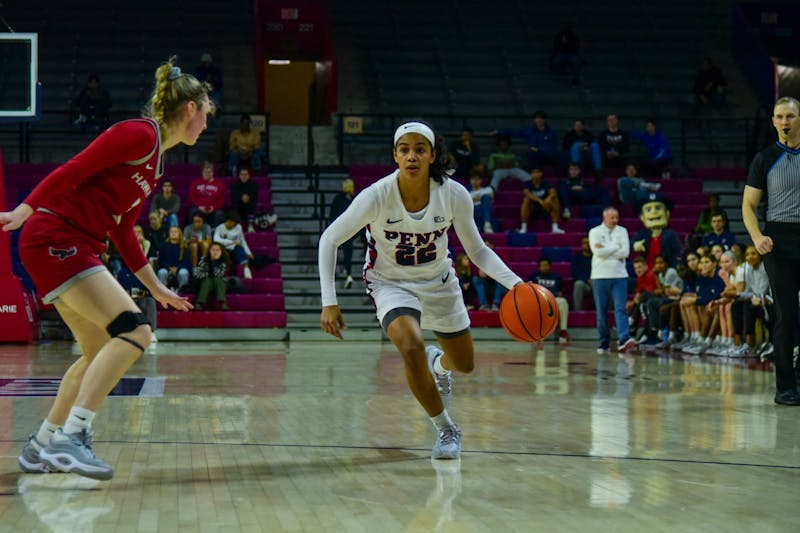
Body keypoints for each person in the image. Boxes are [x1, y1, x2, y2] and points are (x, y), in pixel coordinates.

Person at [2, 56, 209, 479]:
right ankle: (71, 438)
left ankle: (41, 445)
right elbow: (74, 167)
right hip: (57, 238)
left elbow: (123, 231)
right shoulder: (138, 133)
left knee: (98, 350)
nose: (206, 124)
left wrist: (155, 287)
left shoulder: (155, 164)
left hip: (70, 244)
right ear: (190, 109)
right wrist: (25, 209)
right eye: (206, 114)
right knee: (135, 331)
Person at [318, 121, 524, 460]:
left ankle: (439, 366)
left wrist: (517, 285)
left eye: (419, 149)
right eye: (404, 149)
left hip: (439, 281)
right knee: (410, 346)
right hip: (390, 282)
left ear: (432, 156)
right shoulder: (376, 195)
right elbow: (330, 238)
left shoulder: (454, 194)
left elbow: (478, 251)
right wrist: (330, 301)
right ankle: (446, 429)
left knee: (465, 364)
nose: (411, 156)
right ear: (395, 156)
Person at [742, 96, 800, 405]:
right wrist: (757, 237)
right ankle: (785, 388)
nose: (785, 121)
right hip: (778, 242)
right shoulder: (764, 158)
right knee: (786, 316)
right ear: (774, 121)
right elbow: (748, 206)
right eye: (780, 116)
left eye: (790, 115)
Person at [589, 206, 636, 353]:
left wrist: (606, 248)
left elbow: (626, 252)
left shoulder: (622, 231)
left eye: (617, 217)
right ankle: (604, 342)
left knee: (620, 308)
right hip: (599, 276)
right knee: (601, 311)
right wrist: (616, 246)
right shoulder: (595, 232)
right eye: (612, 218)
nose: (615, 220)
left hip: (620, 275)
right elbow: (597, 252)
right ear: (605, 218)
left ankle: (624, 339)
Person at [493, 111, 560, 172]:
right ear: (534, 120)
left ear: (544, 120)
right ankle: (535, 175)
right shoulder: (530, 131)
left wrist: (539, 150)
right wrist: (499, 132)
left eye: (540, 118)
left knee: (560, 156)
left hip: (547, 156)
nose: (538, 120)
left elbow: (551, 147)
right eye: (536, 118)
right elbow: (515, 132)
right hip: (535, 156)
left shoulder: (551, 132)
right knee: (530, 154)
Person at [528, 257, 570, 343]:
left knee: (562, 301)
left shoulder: (557, 277)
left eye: (546, 265)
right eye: (542, 265)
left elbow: (560, 293)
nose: (544, 267)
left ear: (550, 266)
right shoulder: (534, 276)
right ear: (539, 267)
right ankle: (539, 333)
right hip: (539, 300)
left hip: (553, 299)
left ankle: (563, 331)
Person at [328, 178, 358, 288]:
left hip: (338, 229)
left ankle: (332, 275)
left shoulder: (338, 198)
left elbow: (332, 215)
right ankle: (349, 274)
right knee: (347, 253)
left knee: (333, 251)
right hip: (350, 230)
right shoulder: (354, 200)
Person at [519, 167, 563, 234]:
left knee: (554, 199)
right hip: (532, 209)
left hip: (545, 207)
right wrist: (539, 200)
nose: (536, 174)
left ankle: (555, 227)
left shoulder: (546, 183)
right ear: (531, 174)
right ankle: (523, 228)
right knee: (526, 200)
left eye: (537, 172)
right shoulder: (527, 183)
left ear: (541, 174)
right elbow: (527, 194)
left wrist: (548, 199)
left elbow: (553, 192)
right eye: (533, 172)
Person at [213, 211, 254, 280]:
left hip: (235, 248)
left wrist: (248, 252)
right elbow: (216, 240)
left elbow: (242, 240)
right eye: (233, 223)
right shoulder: (219, 228)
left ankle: (246, 270)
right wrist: (231, 242)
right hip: (224, 248)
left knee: (240, 250)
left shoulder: (238, 227)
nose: (234, 225)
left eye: (235, 224)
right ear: (228, 221)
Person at [193, 242, 231, 310]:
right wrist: (211, 262)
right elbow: (197, 274)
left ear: (221, 251)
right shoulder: (204, 259)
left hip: (220, 284)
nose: (215, 252)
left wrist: (214, 263)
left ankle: (223, 303)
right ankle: (199, 303)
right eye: (213, 250)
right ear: (209, 251)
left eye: (217, 250)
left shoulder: (224, 261)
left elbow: (220, 274)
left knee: (218, 279)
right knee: (207, 279)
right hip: (205, 283)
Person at [189, 161, 227, 227]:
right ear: (202, 173)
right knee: (193, 211)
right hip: (200, 208)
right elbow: (192, 197)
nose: (207, 174)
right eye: (205, 172)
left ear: (212, 173)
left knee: (219, 214)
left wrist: (214, 208)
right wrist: (199, 206)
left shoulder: (219, 184)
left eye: (209, 172)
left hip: (213, 209)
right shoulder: (196, 183)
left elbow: (222, 199)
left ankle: (216, 233)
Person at [156, 226, 192, 292]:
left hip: (180, 269)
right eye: (171, 232)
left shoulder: (185, 246)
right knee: (162, 272)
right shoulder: (164, 246)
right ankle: (163, 291)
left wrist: (177, 269)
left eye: (175, 232)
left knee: (183, 272)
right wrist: (169, 268)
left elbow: (187, 262)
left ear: (179, 234)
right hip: (167, 269)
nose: (173, 233)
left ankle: (182, 291)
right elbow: (161, 261)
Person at [230, 165, 259, 232]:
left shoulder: (253, 185)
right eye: (242, 174)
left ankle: (250, 225)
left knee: (251, 204)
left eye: (246, 174)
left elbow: (254, 197)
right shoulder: (235, 185)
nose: (244, 176)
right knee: (235, 206)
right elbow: (233, 197)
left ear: (249, 175)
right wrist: (241, 198)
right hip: (238, 207)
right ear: (239, 175)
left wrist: (247, 198)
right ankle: (237, 226)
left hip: (249, 206)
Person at [570, 236, 593, 311]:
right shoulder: (577, 257)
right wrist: (587, 280)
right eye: (585, 243)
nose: (587, 244)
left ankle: (606, 313)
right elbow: (576, 273)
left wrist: (594, 280)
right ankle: (577, 311)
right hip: (585, 284)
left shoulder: (596, 257)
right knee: (578, 284)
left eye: (588, 243)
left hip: (596, 283)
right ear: (581, 245)